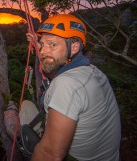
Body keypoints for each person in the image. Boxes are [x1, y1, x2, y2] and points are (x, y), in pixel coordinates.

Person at [24, 14, 121, 161]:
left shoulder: (66, 85)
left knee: (25, 108)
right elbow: (55, 68)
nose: (43, 51)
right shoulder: (93, 71)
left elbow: (50, 154)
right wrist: (42, 47)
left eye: (52, 45)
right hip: (106, 155)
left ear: (74, 47)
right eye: (42, 44)